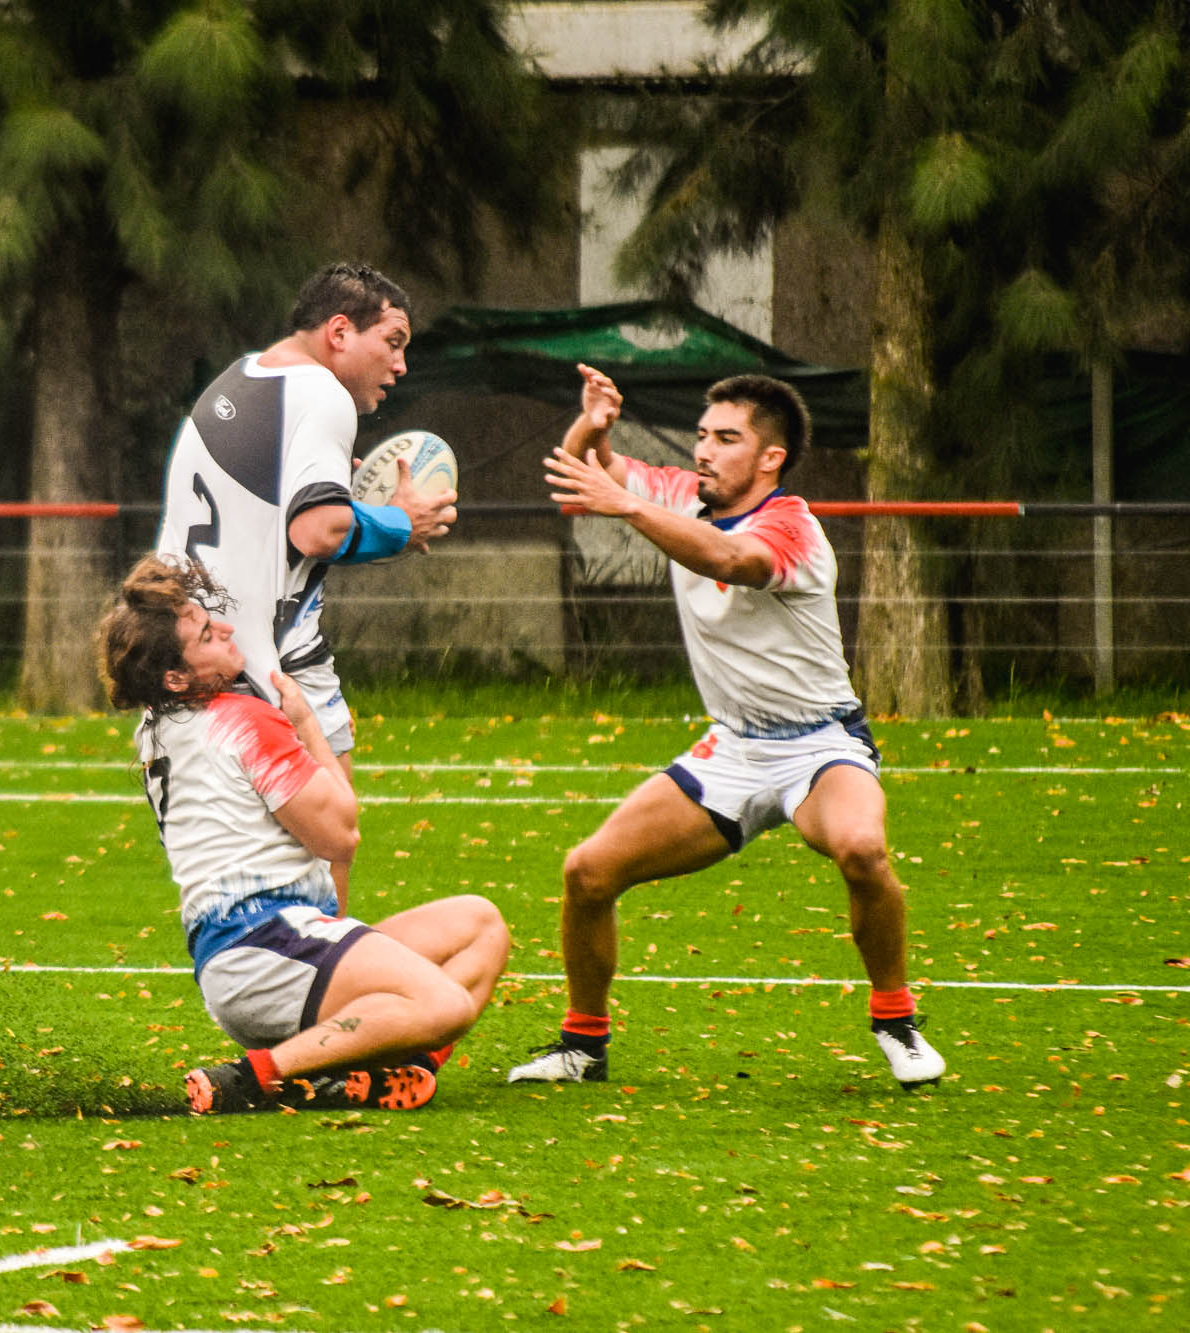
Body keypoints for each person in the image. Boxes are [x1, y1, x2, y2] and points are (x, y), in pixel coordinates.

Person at [509, 365, 947, 1090]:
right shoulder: (684, 496)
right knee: (587, 873)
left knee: (863, 850)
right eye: (701, 436)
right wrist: (593, 424)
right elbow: (586, 468)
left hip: (820, 742)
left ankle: (895, 1022)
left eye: (725, 438)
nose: (703, 451)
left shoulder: (790, 526)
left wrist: (627, 506)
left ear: (770, 457)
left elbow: (730, 558)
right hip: (734, 746)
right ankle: (582, 1047)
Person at [97, 555, 509, 1114]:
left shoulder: (156, 726)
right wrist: (309, 724)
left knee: (480, 925)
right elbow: (341, 835)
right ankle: (256, 1076)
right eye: (202, 632)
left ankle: (385, 1071)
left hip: (247, 953)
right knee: (446, 1006)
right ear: (176, 677)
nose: (223, 627)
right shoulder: (244, 717)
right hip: (267, 945)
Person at [155, 262, 455, 904]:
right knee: (326, 856)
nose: (400, 367)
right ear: (340, 331)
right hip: (260, 662)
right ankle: (310, 994)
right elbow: (317, 530)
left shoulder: (242, 378)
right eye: (394, 342)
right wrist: (400, 524)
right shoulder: (322, 394)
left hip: (200, 652)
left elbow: (272, 520)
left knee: (250, 872)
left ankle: (295, 983)